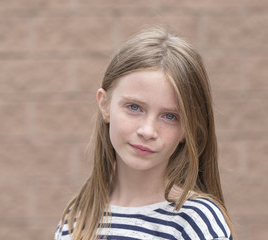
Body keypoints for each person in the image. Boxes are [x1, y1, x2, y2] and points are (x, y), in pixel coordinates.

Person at [54, 27, 235, 240]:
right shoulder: (77, 219)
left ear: (188, 130)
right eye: (134, 107)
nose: (148, 131)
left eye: (170, 116)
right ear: (105, 105)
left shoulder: (195, 222)